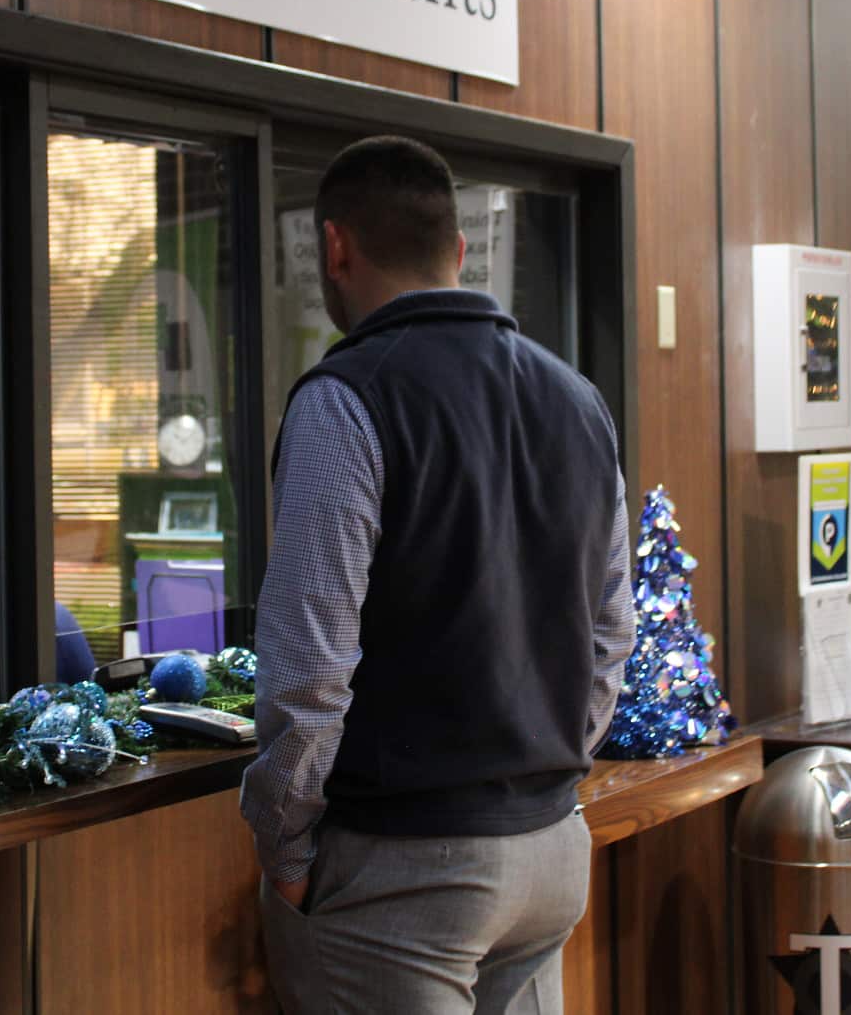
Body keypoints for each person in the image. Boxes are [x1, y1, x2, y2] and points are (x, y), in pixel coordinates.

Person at [241, 136, 635, 1014]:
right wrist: (547, 767)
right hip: (553, 852)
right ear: (459, 253)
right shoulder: (580, 400)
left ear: (334, 250)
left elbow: (308, 667)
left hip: (406, 871)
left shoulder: (342, 401)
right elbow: (613, 631)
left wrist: (287, 850)